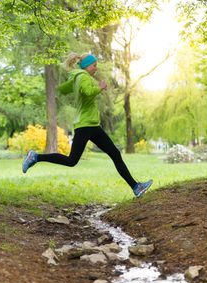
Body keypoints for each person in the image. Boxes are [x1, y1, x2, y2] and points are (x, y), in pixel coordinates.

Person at [22, 52, 153, 198]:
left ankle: (136, 187)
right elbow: (88, 92)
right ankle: (35, 157)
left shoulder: (78, 77)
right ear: (86, 66)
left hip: (92, 125)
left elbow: (65, 89)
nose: (96, 68)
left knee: (114, 154)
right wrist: (100, 87)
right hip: (85, 126)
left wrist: (61, 89)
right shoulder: (83, 77)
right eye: (94, 65)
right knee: (72, 161)